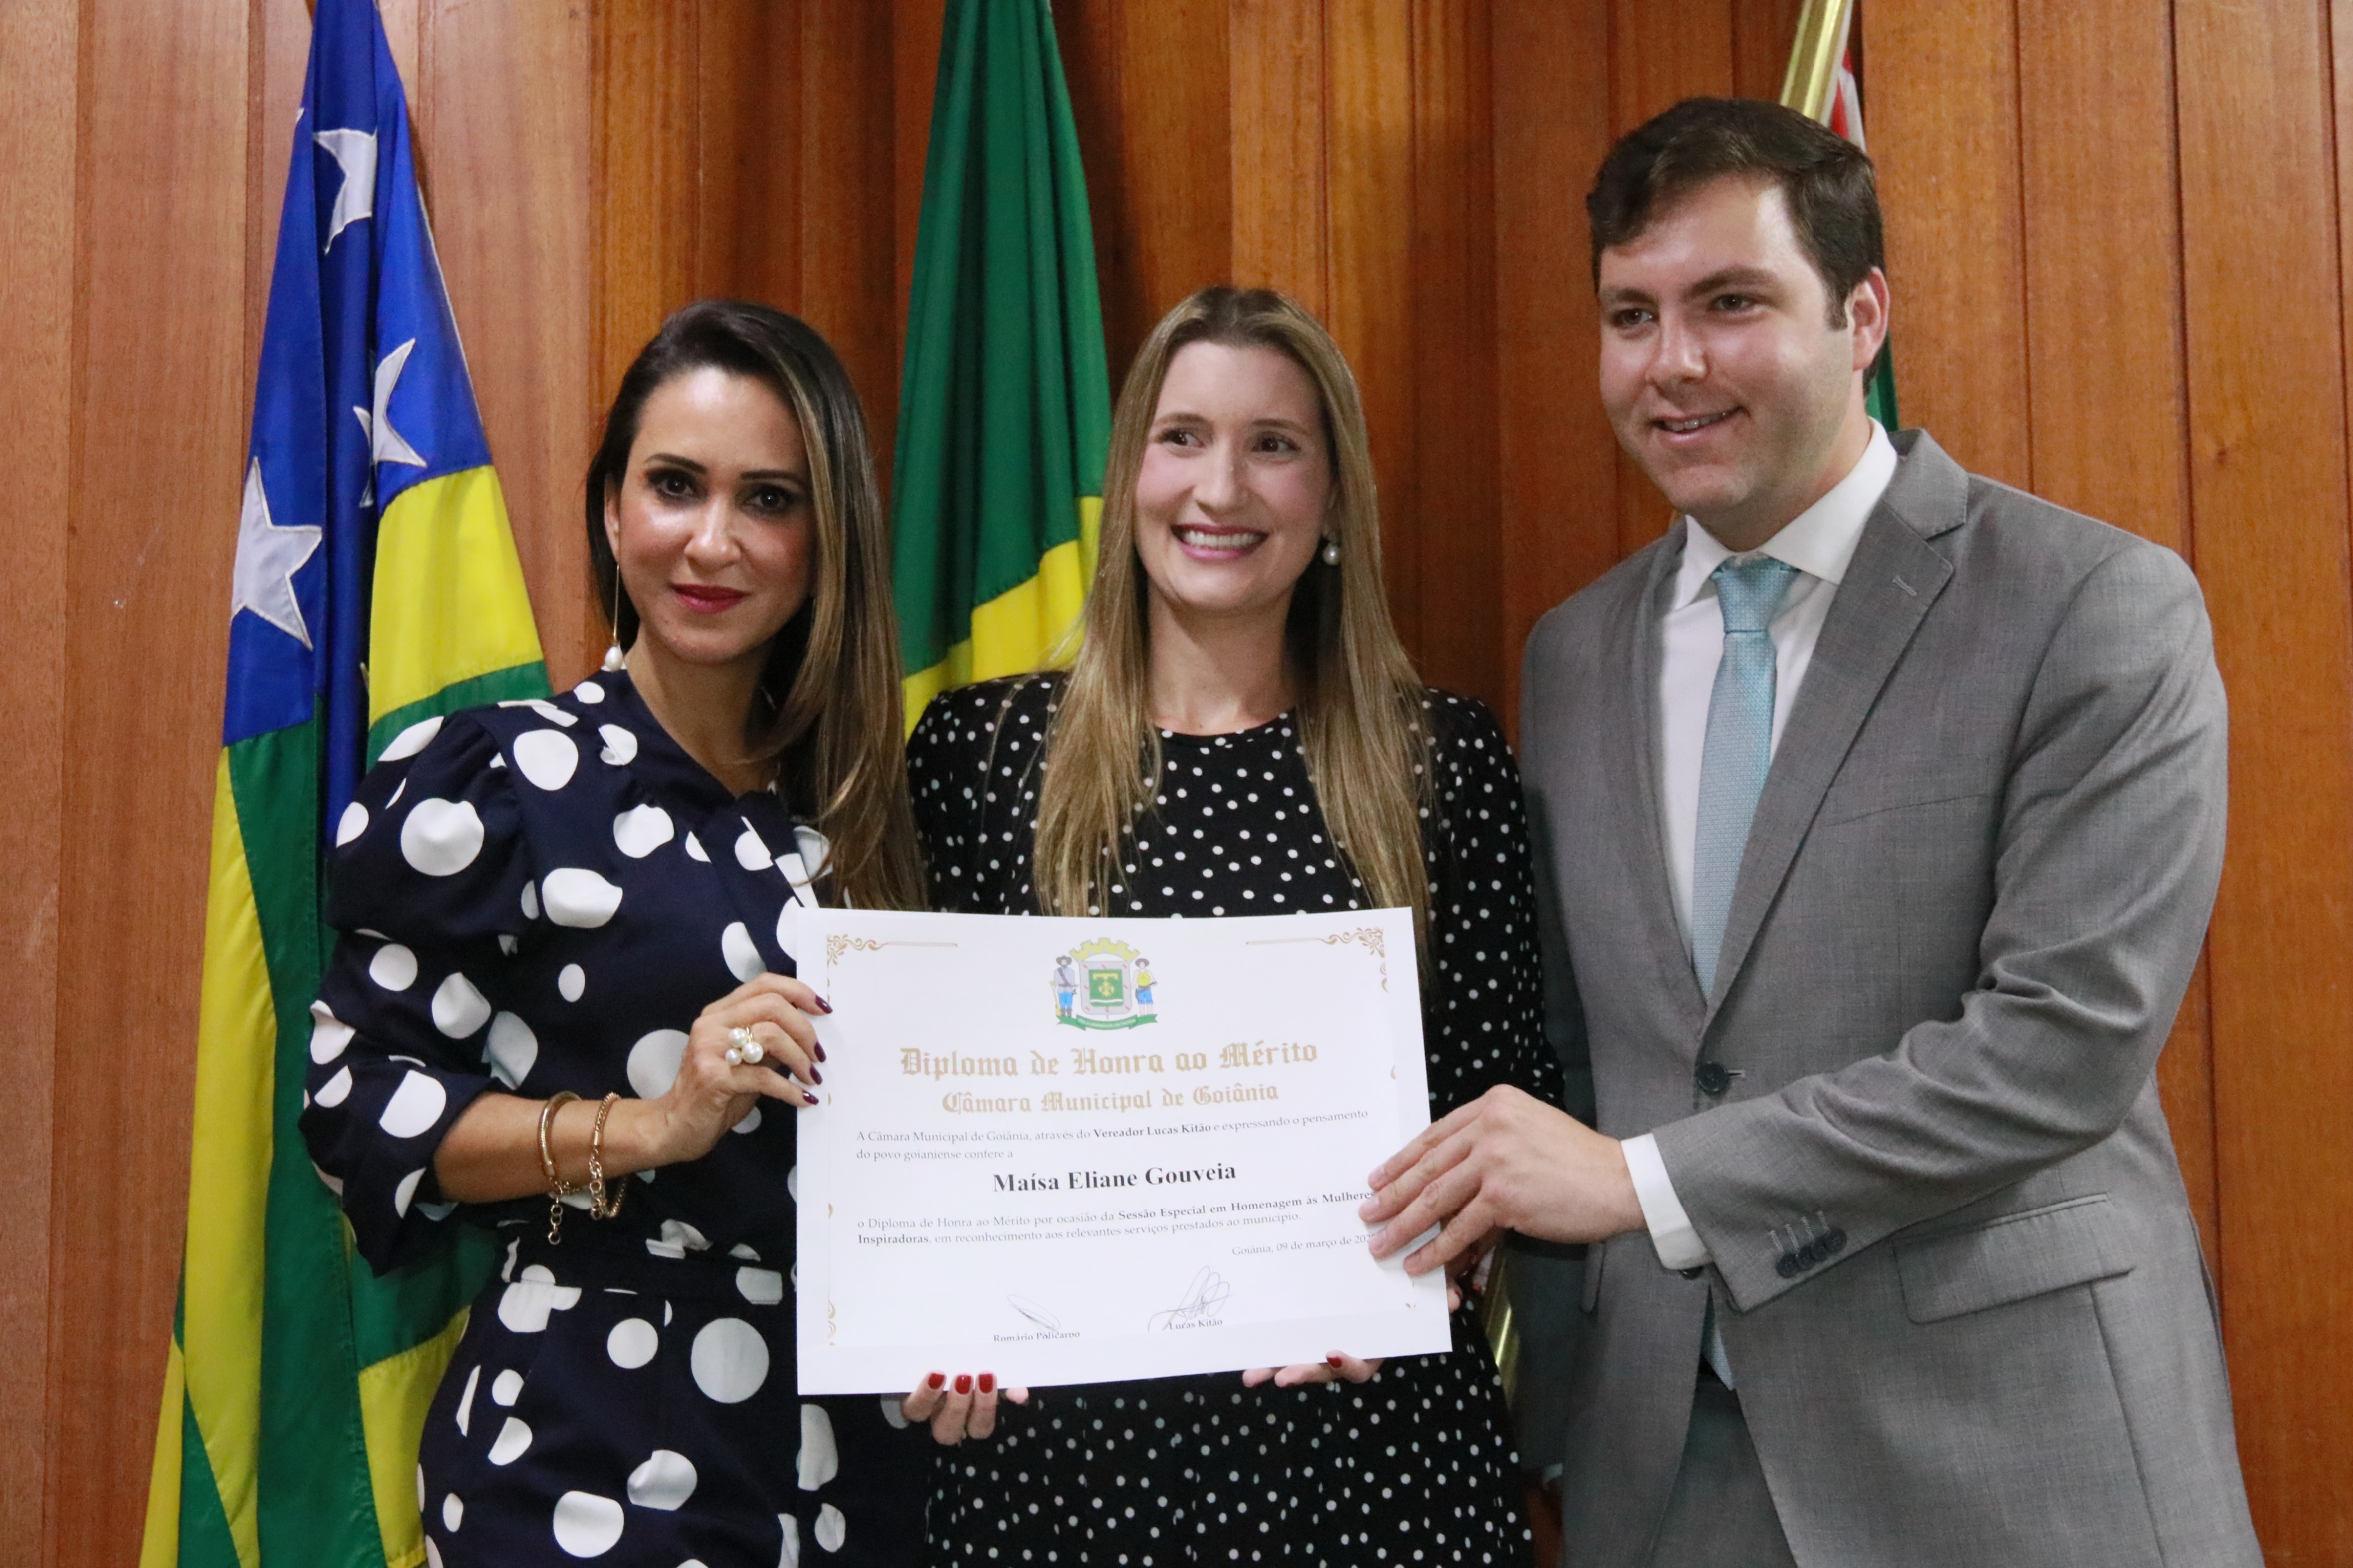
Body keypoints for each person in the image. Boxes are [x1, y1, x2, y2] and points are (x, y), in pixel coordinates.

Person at [1361, 98, 2261, 1568]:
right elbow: (1583, 1051)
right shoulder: (1573, 654)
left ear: (1861, 316)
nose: (1672, 363)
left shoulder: (2088, 605)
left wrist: (1645, 1184)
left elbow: (2062, 1044)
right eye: (1631, 315)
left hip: (2007, 1457)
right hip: (1672, 1470)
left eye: (1730, 303)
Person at [910, 286, 1559, 1565]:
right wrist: (926, 1322)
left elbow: (1509, 1098)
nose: (1221, 487)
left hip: (1370, 1465)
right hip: (1058, 1479)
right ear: (1128, 478)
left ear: (1334, 498)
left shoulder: (1439, 762)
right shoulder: (983, 757)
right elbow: (913, 1106)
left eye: (1273, 444)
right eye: (1182, 437)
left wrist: (1421, 1265)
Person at [301, 300, 953, 1565]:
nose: (713, 541)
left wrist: (970, 1327)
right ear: (611, 510)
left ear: (827, 538)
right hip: (588, 1456)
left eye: (769, 499)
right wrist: (652, 1125)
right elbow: (357, 1108)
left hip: (858, 1471)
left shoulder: (874, 816)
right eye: (674, 485)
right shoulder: (502, 786)